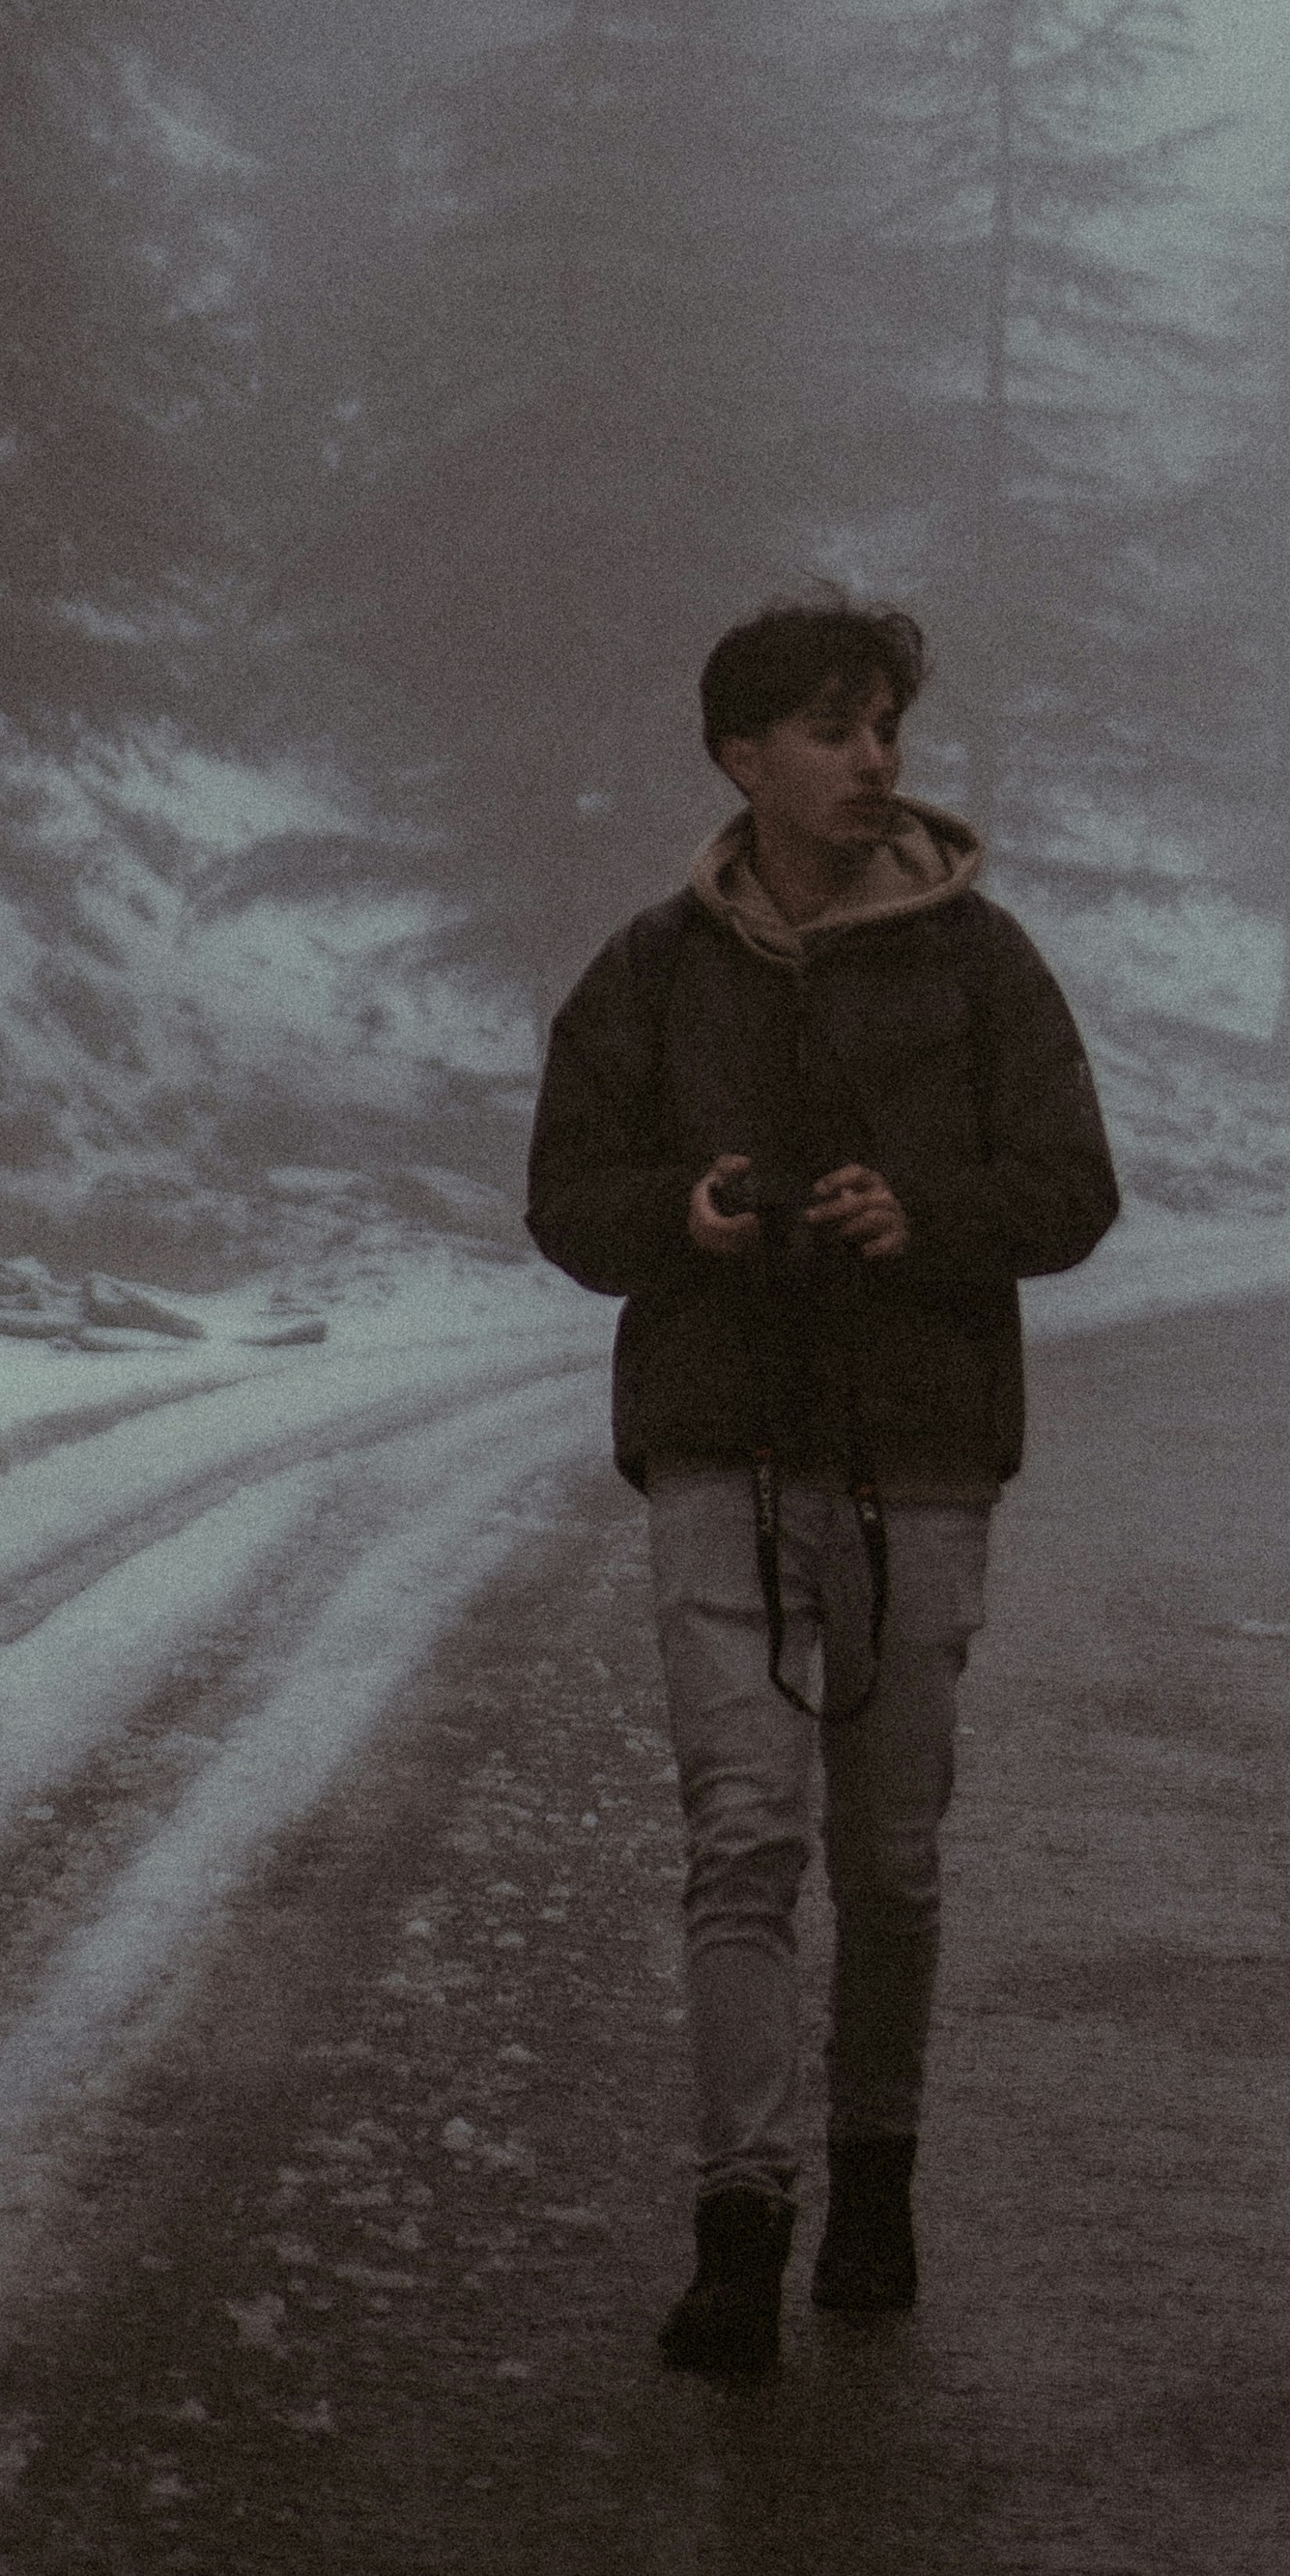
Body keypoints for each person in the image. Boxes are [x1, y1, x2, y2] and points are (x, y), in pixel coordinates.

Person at [526, 591, 1121, 2384]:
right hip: (718, 1444)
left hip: (921, 1455)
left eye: (887, 731)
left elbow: (1075, 1190)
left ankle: (877, 2178)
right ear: (742, 757)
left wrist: (921, 1213)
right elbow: (567, 1196)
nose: (874, 762)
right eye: (835, 730)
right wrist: (679, 1220)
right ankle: (741, 2222)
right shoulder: (648, 968)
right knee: (740, 1841)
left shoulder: (984, 960)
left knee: (891, 1857)